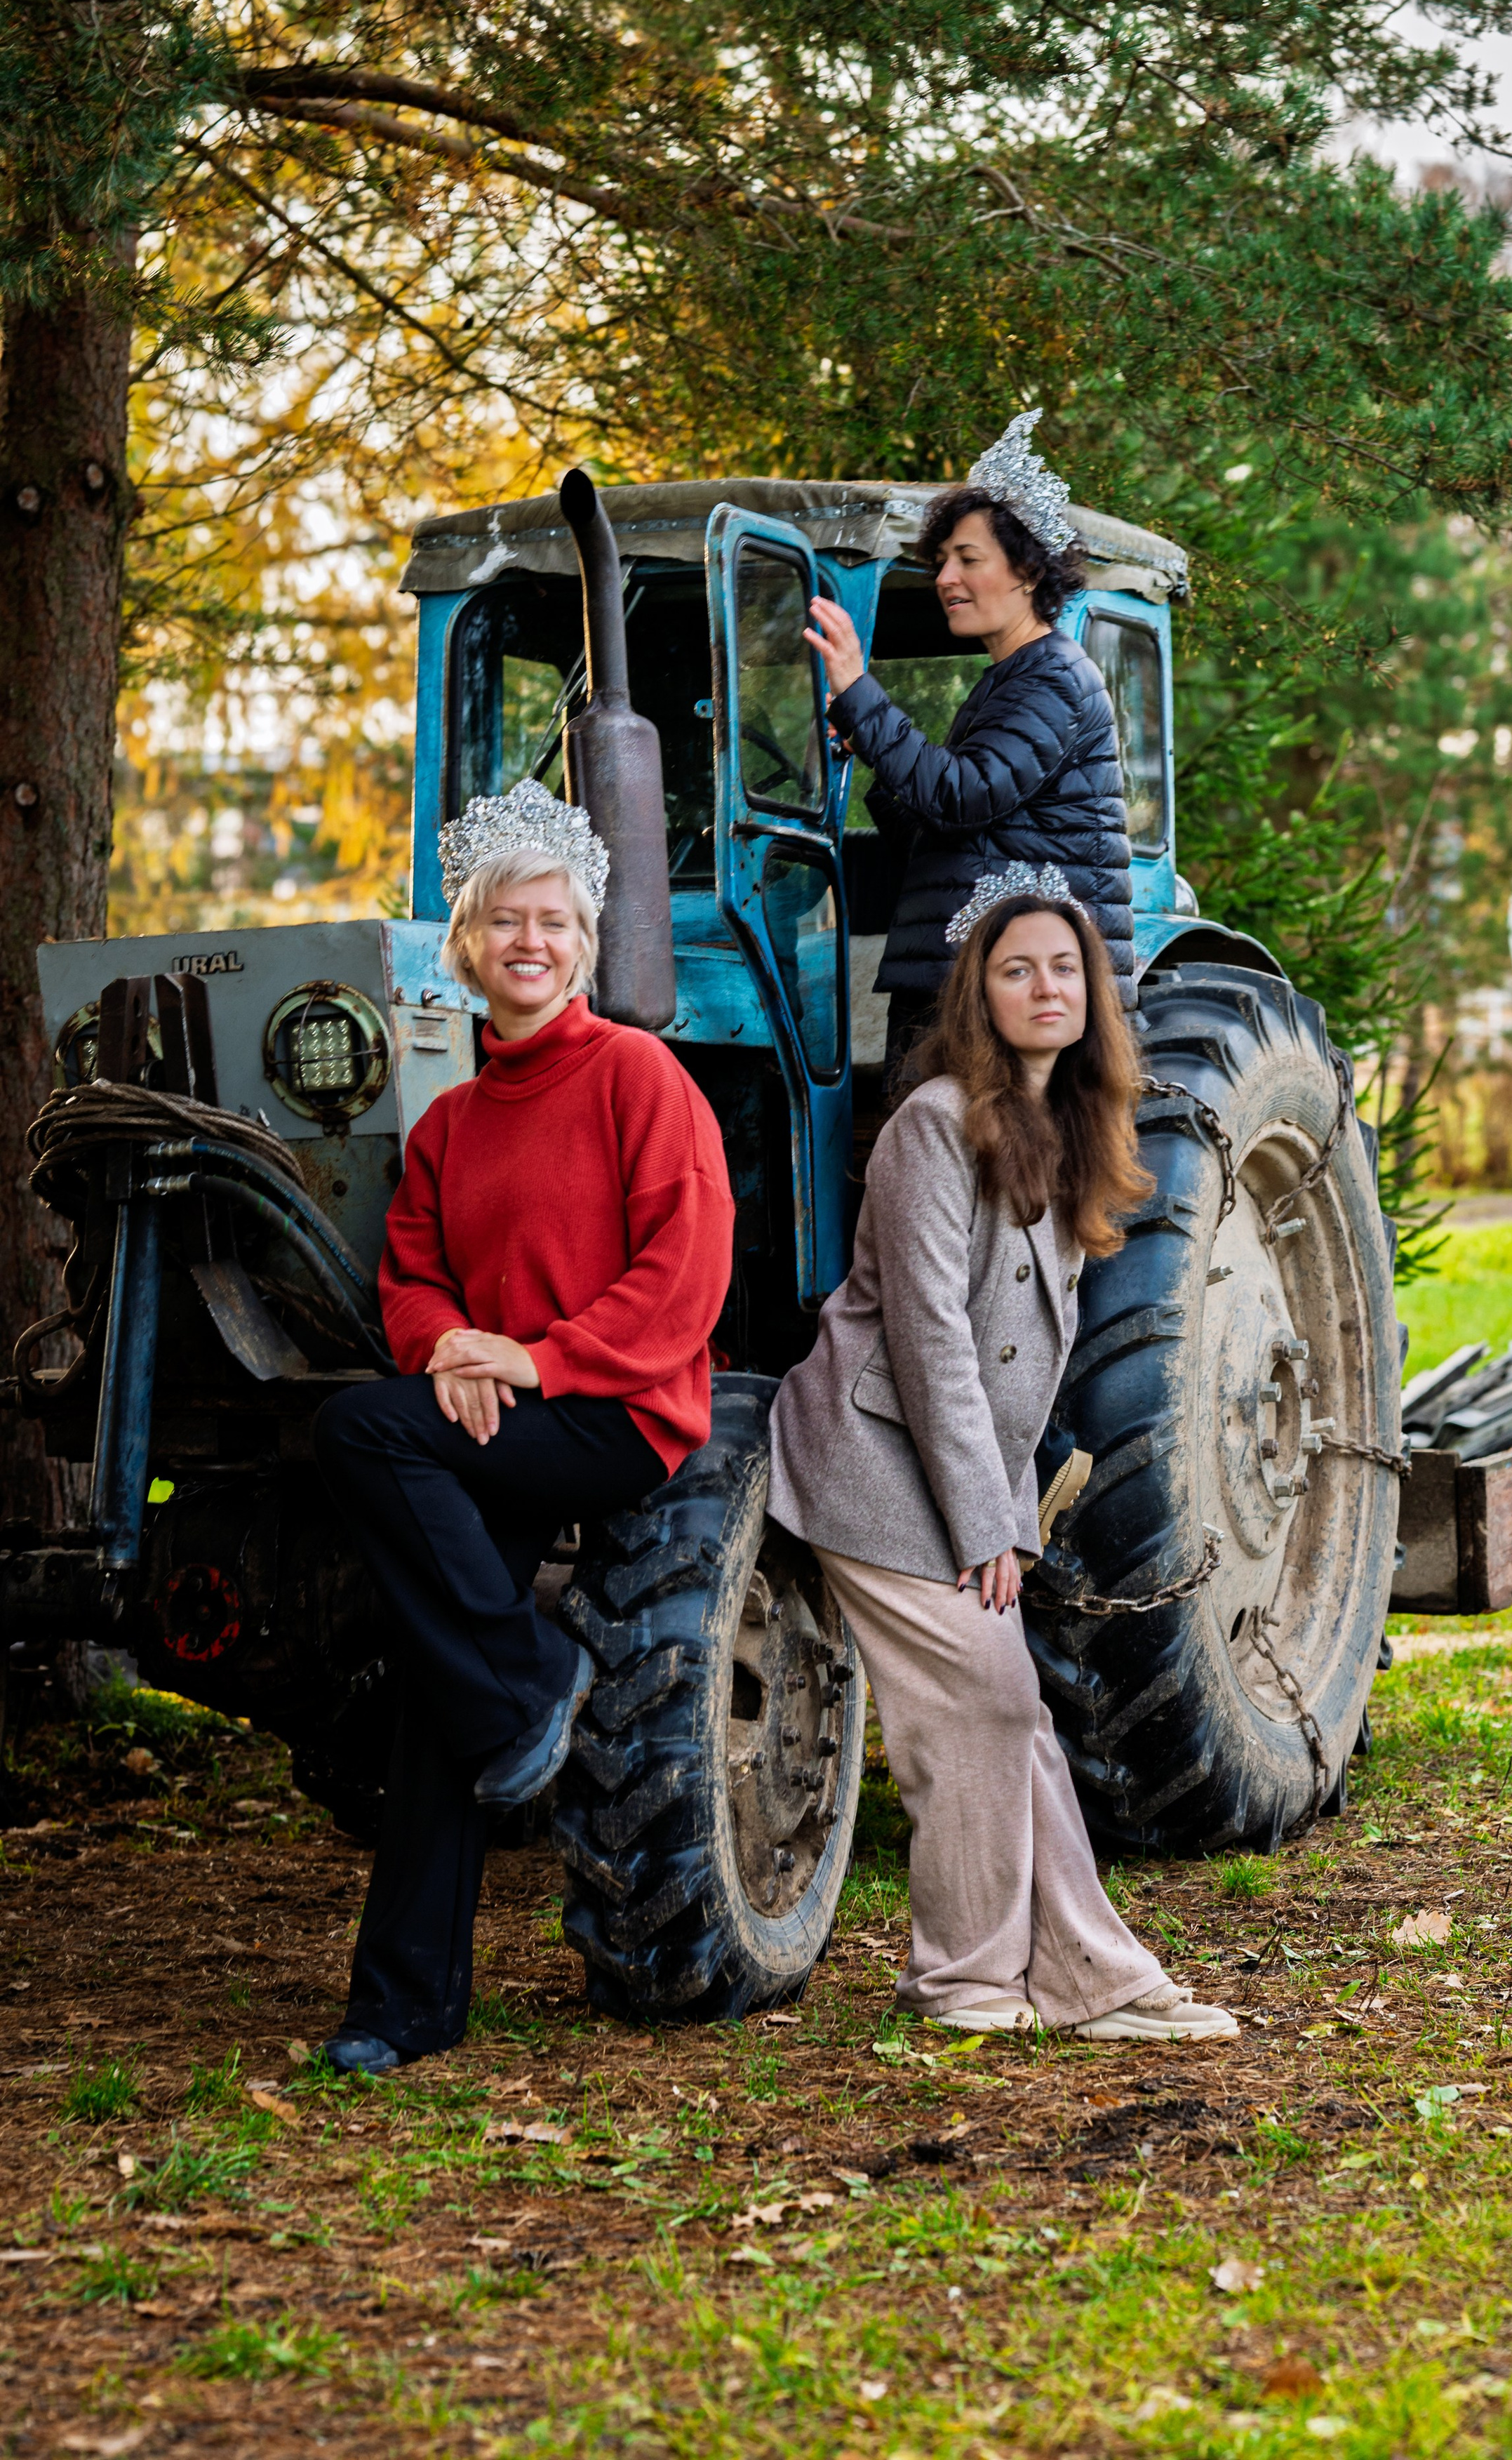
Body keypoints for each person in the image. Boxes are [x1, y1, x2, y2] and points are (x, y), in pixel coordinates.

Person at [767, 870, 1237, 2043]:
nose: (1044, 986)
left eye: (1064, 967)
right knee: (982, 1694)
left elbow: (1020, 1364)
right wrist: (991, 1522)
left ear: (1091, 994)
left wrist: (1006, 1510)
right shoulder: (936, 1123)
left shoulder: (1067, 1130)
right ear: (979, 993)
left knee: (1013, 1705)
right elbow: (929, 1334)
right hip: (870, 1458)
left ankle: (1090, 1974)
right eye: (1017, 967)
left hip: (953, 1473)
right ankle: (963, 1977)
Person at [311, 779, 734, 2076]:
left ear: (583, 940)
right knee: (453, 1673)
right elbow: (412, 1268)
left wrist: (537, 1358)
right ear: (469, 944)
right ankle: (403, 2004)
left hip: (615, 1413)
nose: (529, 941)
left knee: (358, 1435)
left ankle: (532, 1682)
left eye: (552, 920)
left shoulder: (640, 1076)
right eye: (505, 922)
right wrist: (446, 1343)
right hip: (487, 1419)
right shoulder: (447, 1122)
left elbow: (686, 1270)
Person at [803, 410, 1132, 1096]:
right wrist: (864, 738)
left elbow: (960, 794)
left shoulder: (1054, 680)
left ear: (1027, 570)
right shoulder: (1011, 680)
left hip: (997, 988)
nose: (945, 577)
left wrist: (859, 694)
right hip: (960, 974)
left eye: (968, 559)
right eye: (942, 560)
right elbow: (943, 827)